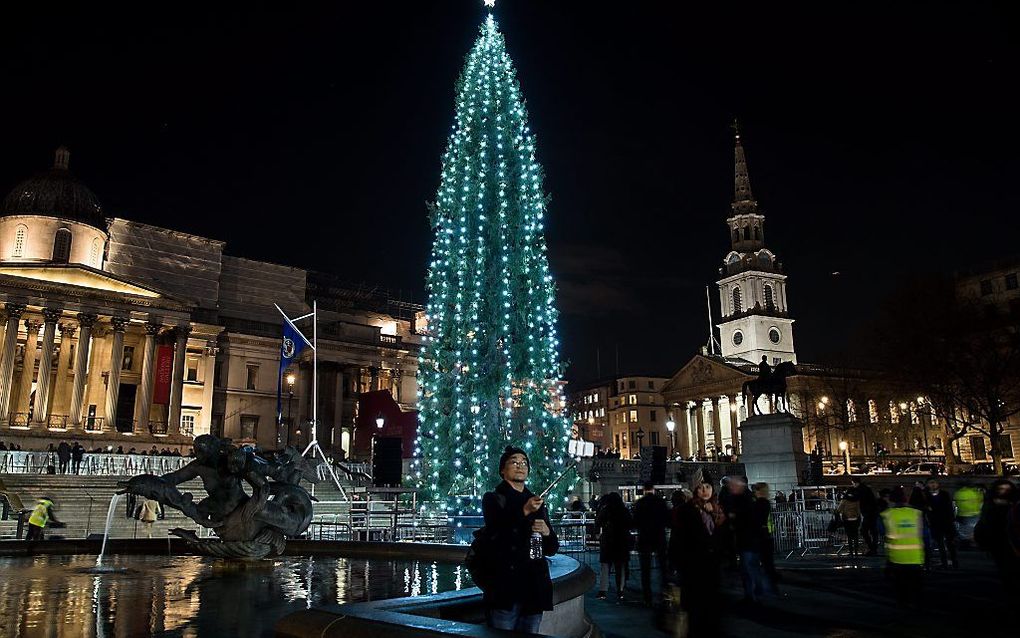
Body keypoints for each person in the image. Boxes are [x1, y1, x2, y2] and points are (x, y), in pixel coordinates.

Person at [481, 446, 558, 634]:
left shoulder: (536, 501)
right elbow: (497, 532)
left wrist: (547, 532)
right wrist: (524, 511)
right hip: (506, 587)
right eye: (514, 462)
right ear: (502, 470)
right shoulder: (493, 499)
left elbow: (551, 549)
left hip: (533, 587)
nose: (520, 466)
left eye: (524, 463)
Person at [677, 481, 727, 637]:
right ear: (695, 489)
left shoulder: (718, 509)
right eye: (701, 487)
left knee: (711, 610)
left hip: (712, 566)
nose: (705, 491)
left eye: (708, 487)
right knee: (695, 611)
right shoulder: (686, 510)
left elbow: (723, 537)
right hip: (693, 566)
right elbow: (680, 539)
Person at [725, 476, 769, 603]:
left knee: (748, 568)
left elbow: (746, 519)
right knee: (752, 567)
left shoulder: (745, 500)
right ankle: (757, 590)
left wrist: (734, 517)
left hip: (748, 539)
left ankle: (752, 594)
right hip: (749, 539)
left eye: (733, 485)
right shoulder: (748, 498)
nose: (731, 487)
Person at [880, 487, 925, 607]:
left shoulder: (887, 515)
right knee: (916, 586)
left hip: (897, 557)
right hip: (915, 556)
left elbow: (881, 532)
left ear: (891, 499)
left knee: (901, 586)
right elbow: (922, 534)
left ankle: (903, 605)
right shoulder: (916, 513)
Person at [974, 479, 1019, 596]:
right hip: (999, 542)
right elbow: (985, 523)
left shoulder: (1015, 505)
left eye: (1007, 489)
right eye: (1001, 489)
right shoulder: (990, 505)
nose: (1004, 492)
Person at [631, 481, 670, 606]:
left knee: (645, 570)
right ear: (653, 489)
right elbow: (667, 519)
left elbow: (635, 522)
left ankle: (647, 597)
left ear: (644, 490)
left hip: (645, 537)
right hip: (659, 536)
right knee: (663, 568)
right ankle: (665, 594)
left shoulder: (640, 503)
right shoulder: (660, 502)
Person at [595, 492, 633, 600]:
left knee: (605, 567)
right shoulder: (624, 511)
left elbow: (597, 523)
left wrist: (598, 533)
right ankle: (620, 590)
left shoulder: (605, 510)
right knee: (620, 567)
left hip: (608, 541)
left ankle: (603, 590)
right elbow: (630, 523)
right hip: (621, 541)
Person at [753, 482, 780, 591]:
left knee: (764, 562)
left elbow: (755, 518)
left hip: (761, 535)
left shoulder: (760, 503)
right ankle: (771, 584)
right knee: (767, 561)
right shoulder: (765, 503)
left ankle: (768, 586)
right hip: (765, 533)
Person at [925, 479, 957, 568]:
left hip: (946, 522)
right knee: (940, 544)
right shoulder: (926, 496)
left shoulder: (944, 494)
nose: (933, 485)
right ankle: (944, 562)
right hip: (935, 523)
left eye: (934, 483)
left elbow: (948, 507)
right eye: (930, 483)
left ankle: (954, 561)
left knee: (950, 543)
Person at [852, 477, 879, 556]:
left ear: (856, 483)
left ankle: (872, 548)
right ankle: (873, 548)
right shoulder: (866, 489)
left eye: (853, 483)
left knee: (864, 531)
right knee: (873, 531)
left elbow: (857, 499)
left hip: (868, 513)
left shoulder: (860, 490)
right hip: (872, 512)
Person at [953, 482, 983, 547]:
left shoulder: (958, 492)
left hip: (961, 514)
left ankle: (964, 542)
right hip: (974, 513)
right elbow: (980, 502)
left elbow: (956, 503)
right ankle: (972, 542)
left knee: (963, 529)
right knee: (972, 530)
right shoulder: (975, 492)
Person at [835, 490, 863, 557]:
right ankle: (856, 551)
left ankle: (851, 552)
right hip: (855, 520)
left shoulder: (844, 501)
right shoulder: (857, 501)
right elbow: (859, 511)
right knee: (856, 536)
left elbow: (838, 510)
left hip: (847, 520)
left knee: (849, 536)